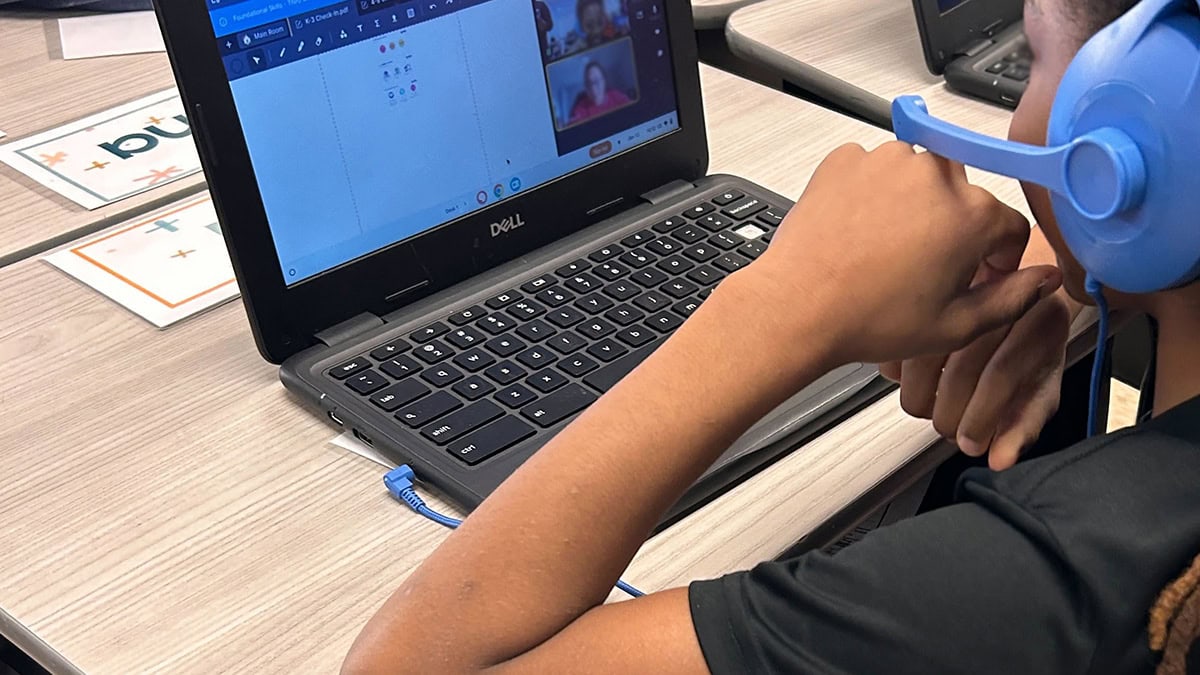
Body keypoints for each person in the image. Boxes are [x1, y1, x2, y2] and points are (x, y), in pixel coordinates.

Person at [342, 0, 1200, 672]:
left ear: (1156, 136)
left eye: (1039, 51)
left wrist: (781, 304)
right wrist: (1078, 254)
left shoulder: (1037, 583)